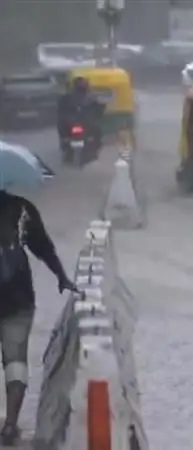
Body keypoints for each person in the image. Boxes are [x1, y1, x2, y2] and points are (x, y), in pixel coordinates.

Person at [0, 190, 76, 444]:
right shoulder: (21, 208)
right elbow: (42, 246)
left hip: (16, 299)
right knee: (16, 360)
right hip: (18, 298)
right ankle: (10, 424)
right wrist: (61, 276)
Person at [56, 76, 103, 150]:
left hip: (82, 123)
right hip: (74, 123)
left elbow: (97, 109)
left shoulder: (89, 97)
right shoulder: (68, 97)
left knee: (96, 131)